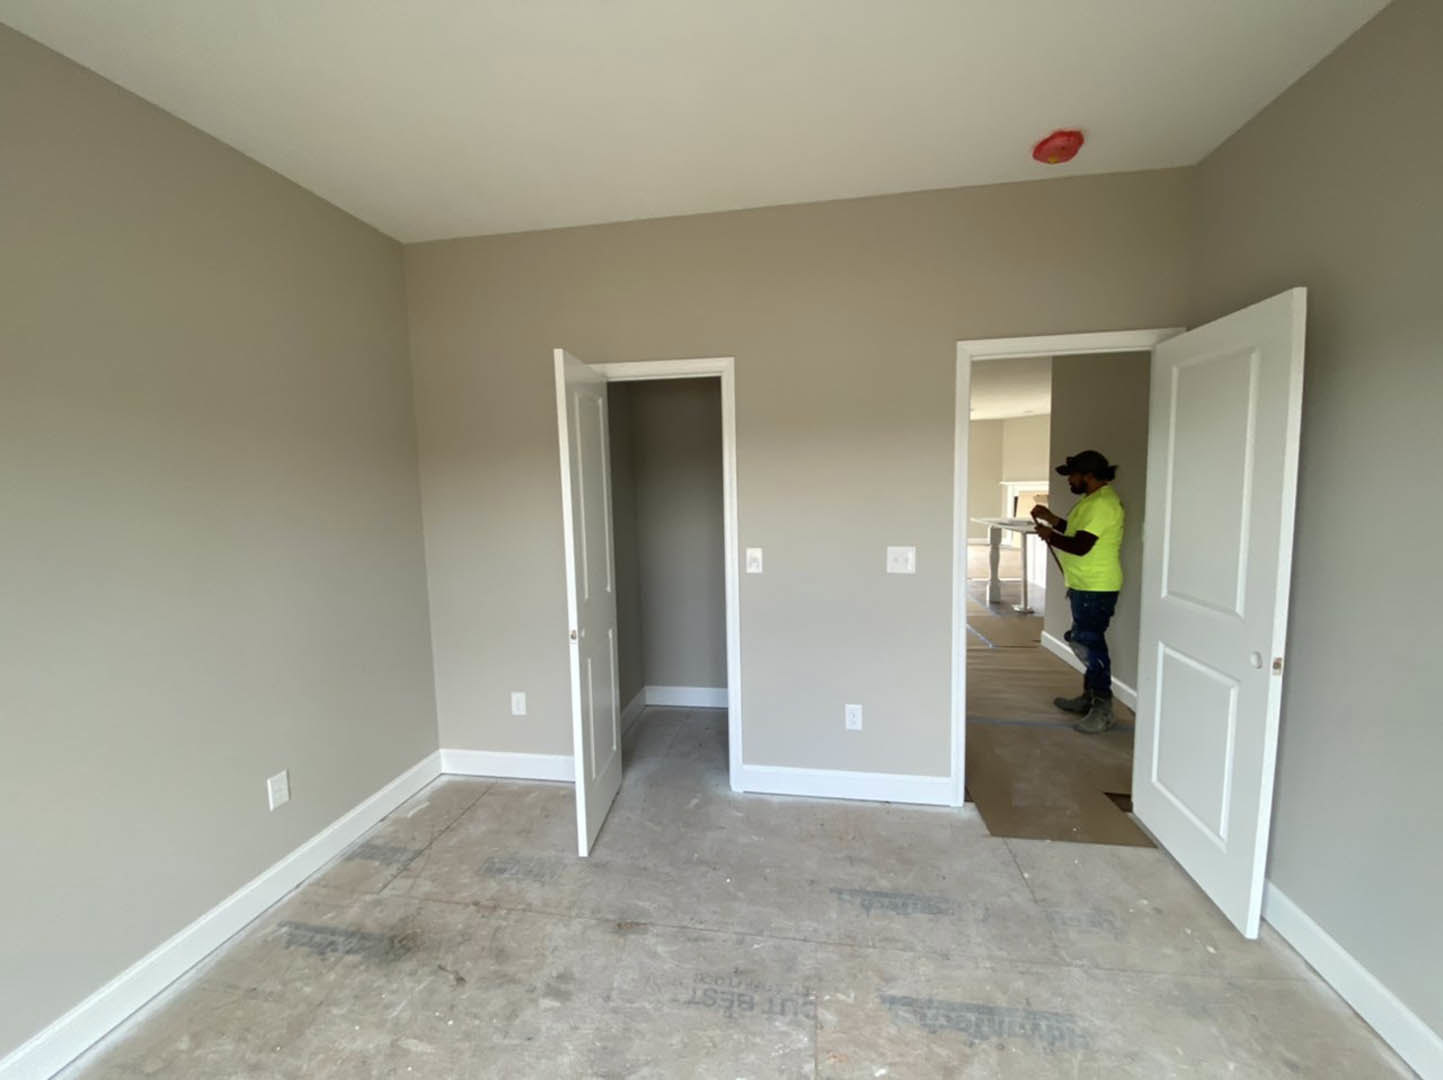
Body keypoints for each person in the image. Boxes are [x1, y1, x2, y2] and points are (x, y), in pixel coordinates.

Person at [1030, 450, 1125, 734]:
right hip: (1085, 584)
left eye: (1072, 475)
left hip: (1097, 586)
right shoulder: (1091, 501)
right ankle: (1089, 698)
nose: (1069, 480)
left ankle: (1102, 708)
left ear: (1088, 475)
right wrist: (1052, 520)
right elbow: (1076, 532)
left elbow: (1082, 546)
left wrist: (1051, 536)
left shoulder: (1103, 505)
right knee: (1086, 640)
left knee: (1089, 644)